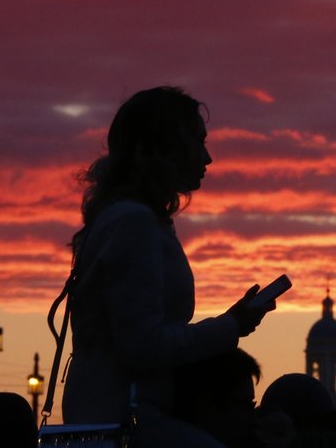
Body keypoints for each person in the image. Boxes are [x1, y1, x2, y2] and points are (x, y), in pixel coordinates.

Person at [62, 86, 274, 447]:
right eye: (197, 141)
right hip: (123, 421)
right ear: (164, 149)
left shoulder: (130, 219)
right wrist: (229, 326)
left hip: (112, 413)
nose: (207, 157)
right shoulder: (135, 222)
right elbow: (143, 345)